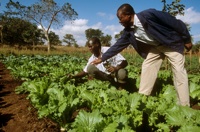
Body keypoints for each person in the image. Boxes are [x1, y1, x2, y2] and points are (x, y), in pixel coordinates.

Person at [91, 3, 193, 106]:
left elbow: (175, 22)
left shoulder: (149, 15)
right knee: (147, 66)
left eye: (121, 18)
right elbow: (117, 46)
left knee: (179, 72)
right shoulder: (128, 31)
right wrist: (102, 58)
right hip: (157, 47)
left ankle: (184, 105)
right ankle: (142, 98)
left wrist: (187, 39)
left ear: (129, 15)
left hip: (171, 43)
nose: (119, 21)